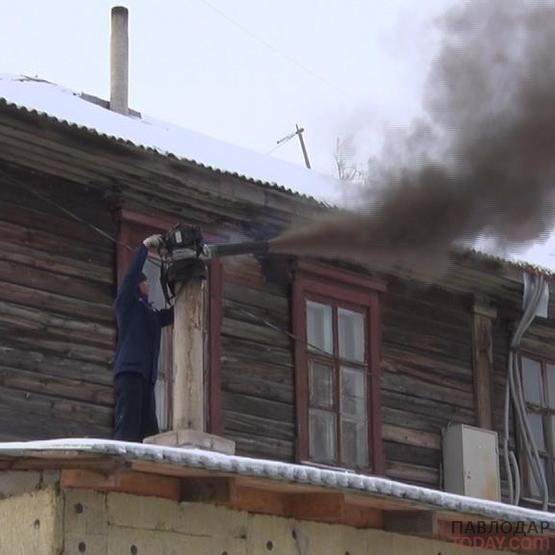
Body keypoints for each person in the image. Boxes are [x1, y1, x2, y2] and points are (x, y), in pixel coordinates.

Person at [113, 234, 174, 442]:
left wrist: (185, 293)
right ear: (139, 286)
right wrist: (144, 249)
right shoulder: (128, 304)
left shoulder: (148, 313)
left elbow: (167, 316)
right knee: (127, 427)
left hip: (147, 378)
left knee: (149, 432)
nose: (149, 286)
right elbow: (131, 276)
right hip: (130, 372)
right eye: (146, 282)